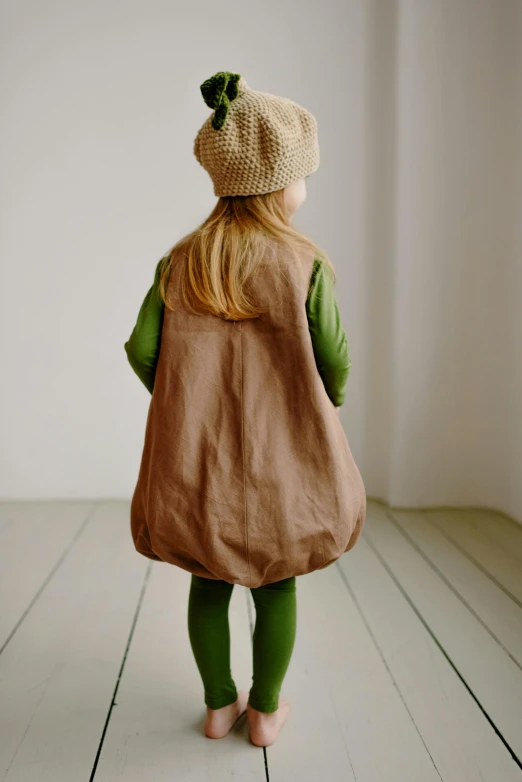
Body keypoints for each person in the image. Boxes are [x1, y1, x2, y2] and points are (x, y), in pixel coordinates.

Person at [123, 71, 367, 748]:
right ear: (277, 184)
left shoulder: (181, 262)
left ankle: (216, 705)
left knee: (208, 581)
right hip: (283, 458)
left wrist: (181, 400)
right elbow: (336, 358)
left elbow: (142, 348)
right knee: (277, 582)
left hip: (198, 461)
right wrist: (328, 400)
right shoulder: (303, 263)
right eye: (302, 176)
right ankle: (264, 713)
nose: (306, 189)